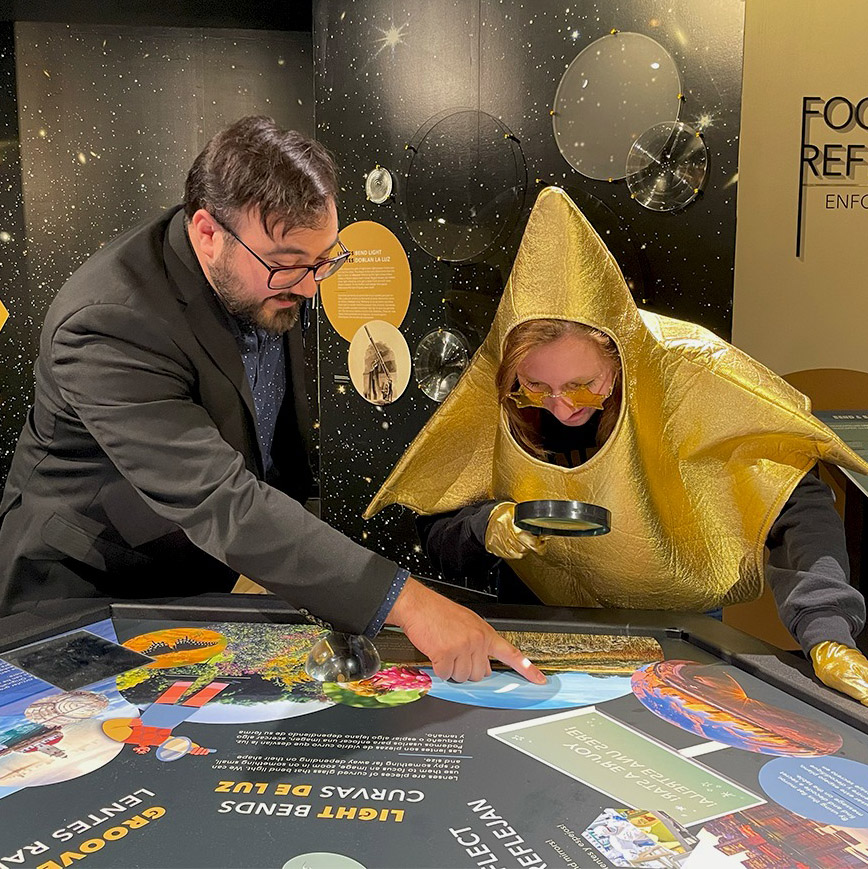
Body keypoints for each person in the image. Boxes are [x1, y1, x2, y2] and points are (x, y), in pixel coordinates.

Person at [0, 116, 544, 687]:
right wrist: (410, 605)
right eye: (289, 265)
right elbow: (222, 501)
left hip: (187, 579)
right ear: (208, 232)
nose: (311, 287)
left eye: (324, 261)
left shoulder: (270, 274)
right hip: (78, 592)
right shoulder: (111, 324)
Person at [366, 186, 868, 706]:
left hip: (676, 622)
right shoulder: (499, 395)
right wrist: (488, 527)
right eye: (537, 387)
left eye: (585, 385)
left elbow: (795, 502)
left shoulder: (690, 373)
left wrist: (827, 631)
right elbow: (434, 525)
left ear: (620, 357)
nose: (561, 408)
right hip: (545, 621)